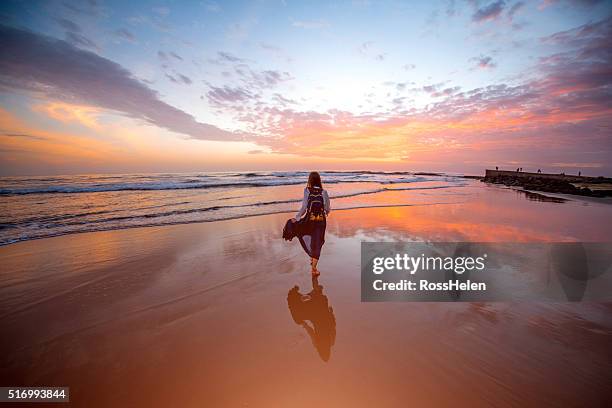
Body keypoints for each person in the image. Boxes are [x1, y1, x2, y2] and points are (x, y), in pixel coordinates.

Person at [291, 171, 331, 276]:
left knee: (308, 236)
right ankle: (314, 269)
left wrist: (297, 218)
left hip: (309, 220)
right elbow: (327, 208)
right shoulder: (324, 192)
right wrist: (326, 212)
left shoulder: (307, 190)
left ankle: (312, 259)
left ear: (310, 180)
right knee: (319, 241)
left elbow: (304, 208)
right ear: (319, 180)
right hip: (321, 221)